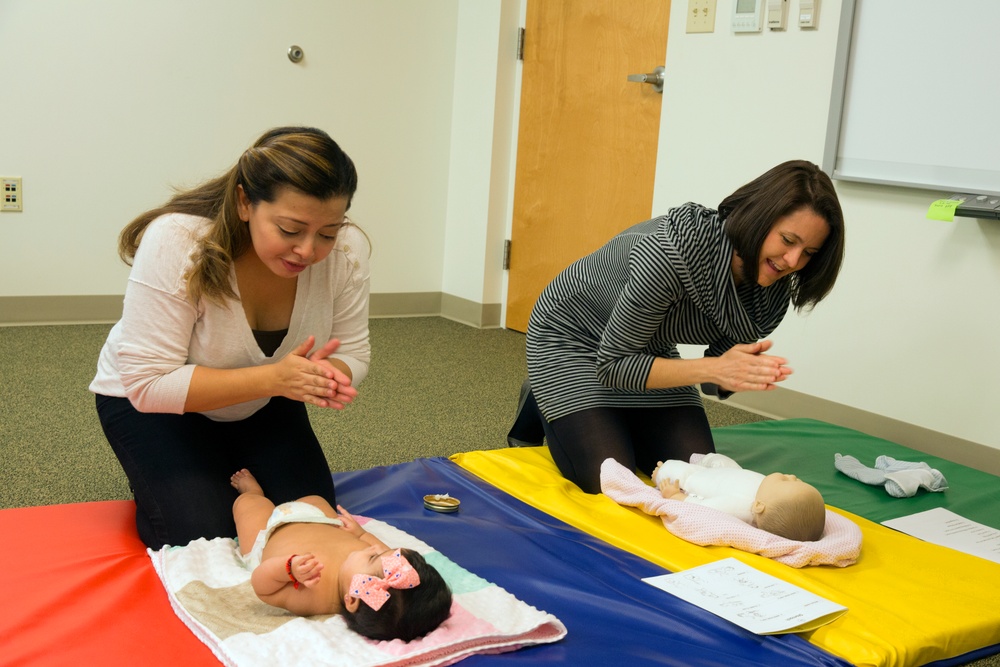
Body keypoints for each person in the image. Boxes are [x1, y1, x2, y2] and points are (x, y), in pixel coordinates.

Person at [90, 126, 371, 550]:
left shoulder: (347, 251)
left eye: (327, 233)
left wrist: (326, 375)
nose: (308, 251)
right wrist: (276, 379)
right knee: (206, 535)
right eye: (290, 229)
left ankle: (214, 462)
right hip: (153, 404)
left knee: (312, 522)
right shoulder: (179, 240)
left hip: (264, 398)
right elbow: (148, 384)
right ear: (245, 202)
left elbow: (353, 349)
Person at [508, 160, 845, 494]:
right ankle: (542, 395)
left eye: (808, 253)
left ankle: (604, 413)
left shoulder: (769, 293)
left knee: (699, 479)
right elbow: (613, 366)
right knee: (613, 484)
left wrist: (738, 372)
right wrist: (715, 367)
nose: (792, 261)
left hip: (646, 346)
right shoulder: (668, 255)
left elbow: (714, 375)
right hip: (573, 339)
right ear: (758, 217)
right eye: (787, 240)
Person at [230, 469, 453, 641]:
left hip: (268, 536)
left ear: (353, 598)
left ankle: (253, 492)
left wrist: (287, 568)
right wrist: (361, 533)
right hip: (319, 518)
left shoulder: (314, 594)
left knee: (248, 507)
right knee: (316, 498)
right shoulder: (371, 568)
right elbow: (381, 551)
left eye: (372, 557)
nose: (374, 548)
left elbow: (262, 587)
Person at [652, 454, 826, 542]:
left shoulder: (740, 506)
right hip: (730, 473)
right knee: (718, 459)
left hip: (698, 479)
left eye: (787, 481)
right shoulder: (766, 490)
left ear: (759, 506)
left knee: (673, 472)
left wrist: (677, 497)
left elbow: (705, 508)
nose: (793, 476)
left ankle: (659, 474)